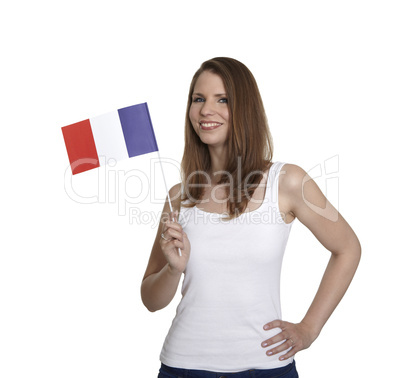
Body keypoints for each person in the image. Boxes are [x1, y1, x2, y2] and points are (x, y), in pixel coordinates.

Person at [141, 57, 361, 378]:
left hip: (266, 367)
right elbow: (150, 300)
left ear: (244, 108)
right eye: (198, 99)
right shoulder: (179, 196)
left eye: (223, 100)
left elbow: (348, 248)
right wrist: (174, 270)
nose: (206, 110)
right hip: (182, 367)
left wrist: (309, 328)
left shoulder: (286, 181)